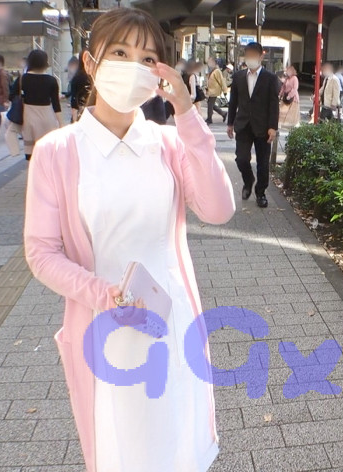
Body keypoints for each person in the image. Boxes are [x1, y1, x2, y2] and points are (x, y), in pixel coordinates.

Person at [23, 8, 234, 472]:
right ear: (91, 62)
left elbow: (219, 209)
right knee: (123, 449)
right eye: (119, 52)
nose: (133, 65)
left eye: (147, 58)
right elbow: (41, 252)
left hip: (171, 319)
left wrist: (187, 113)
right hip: (105, 330)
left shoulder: (169, 143)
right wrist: (105, 295)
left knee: (179, 444)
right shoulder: (57, 152)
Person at [227, 41, 280, 208]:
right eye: (247, 55)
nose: (250, 58)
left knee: (263, 163)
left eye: (253, 55)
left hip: (263, 127)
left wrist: (273, 127)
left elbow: (274, 104)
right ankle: (248, 180)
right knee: (241, 159)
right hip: (243, 124)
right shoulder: (238, 77)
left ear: (260, 57)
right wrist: (230, 123)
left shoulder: (270, 78)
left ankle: (260, 192)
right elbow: (233, 101)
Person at [19, 49, 62, 161]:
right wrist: (61, 123)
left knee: (31, 153)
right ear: (45, 62)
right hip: (47, 117)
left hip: (29, 116)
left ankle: (33, 171)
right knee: (49, 152)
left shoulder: (23, 79)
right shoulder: (52, 80)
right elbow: (56, 104)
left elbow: (12, 96)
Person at [68, 54, 92, 123]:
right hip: (93, 113)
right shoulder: (94, 77)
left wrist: (74, 118)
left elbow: (74, 99)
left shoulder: (77, 77)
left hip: (80, 111)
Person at [205, 57, 228, 124]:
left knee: (210, 104)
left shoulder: (217, 71)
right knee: (211, 104)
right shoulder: (212, 70)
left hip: (214, 91)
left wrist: (225, 90)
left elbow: (221, 81)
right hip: (211, 90)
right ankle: (223, 113)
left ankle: (209, 118)